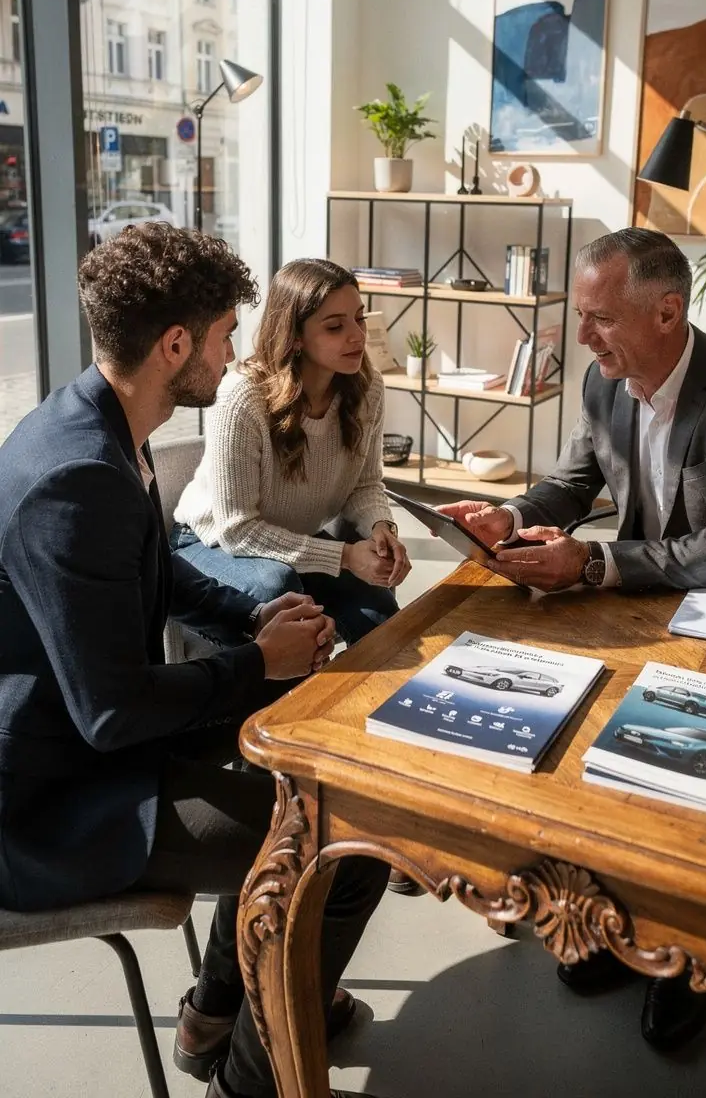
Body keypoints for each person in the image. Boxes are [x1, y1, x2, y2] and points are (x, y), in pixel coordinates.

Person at [0, 223, 388, 1098]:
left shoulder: (98, 424)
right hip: (51, 800)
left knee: (293, 764)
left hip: (89, 742)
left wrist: (253, 617)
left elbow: (156, 570)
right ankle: (247, 1081)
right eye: (223, 337)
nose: (233, 355)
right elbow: (111, 713)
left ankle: (223, 1006)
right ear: (175, 345)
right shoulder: (75, 474)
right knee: (347, 851)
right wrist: (256, 662)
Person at [439, 226, 706, 1052]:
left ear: (668, 313)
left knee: (685, 765)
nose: (582, 336)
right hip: (644, 595)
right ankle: (615, 914)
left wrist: (593, 563)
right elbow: (575, 481)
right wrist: (512, 515)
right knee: (586, 744)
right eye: (583, 316)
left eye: (600, 318)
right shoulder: (603, 379)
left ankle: (681, 957)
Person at [173, 257, 411, 646]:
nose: (357, 336)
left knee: (379, 613)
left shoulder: (368, 388)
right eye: (335, 326)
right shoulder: (242, 398)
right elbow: (237, 530)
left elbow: (365, 484)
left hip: (291, 541)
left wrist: (381, 528)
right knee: (279, 591)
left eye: (359, 319)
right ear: (295, 335)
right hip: (210, 543)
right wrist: (345, 556)